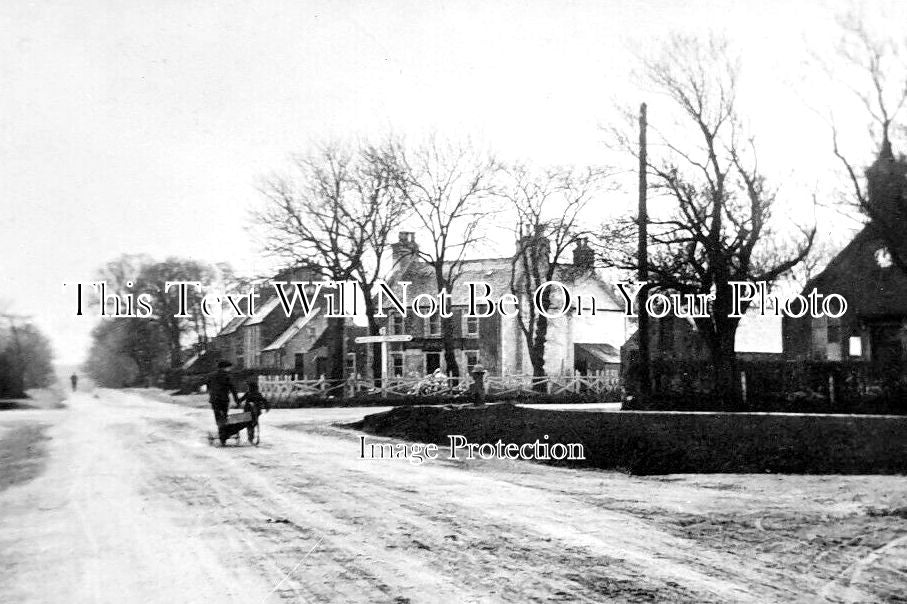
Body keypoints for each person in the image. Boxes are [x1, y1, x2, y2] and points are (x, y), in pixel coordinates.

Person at [206, 360, 239, 445]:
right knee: (224, 416)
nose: (230, 369)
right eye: (229, 367)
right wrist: (236, 400)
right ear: (225, 367)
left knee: (217, 416)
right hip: (223, 399)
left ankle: (221, 432)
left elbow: (208, 386)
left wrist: (211, 394)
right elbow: (233, 388)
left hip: (214, 399)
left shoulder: (211, 375)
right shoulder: (227, 376)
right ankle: (223, 435)